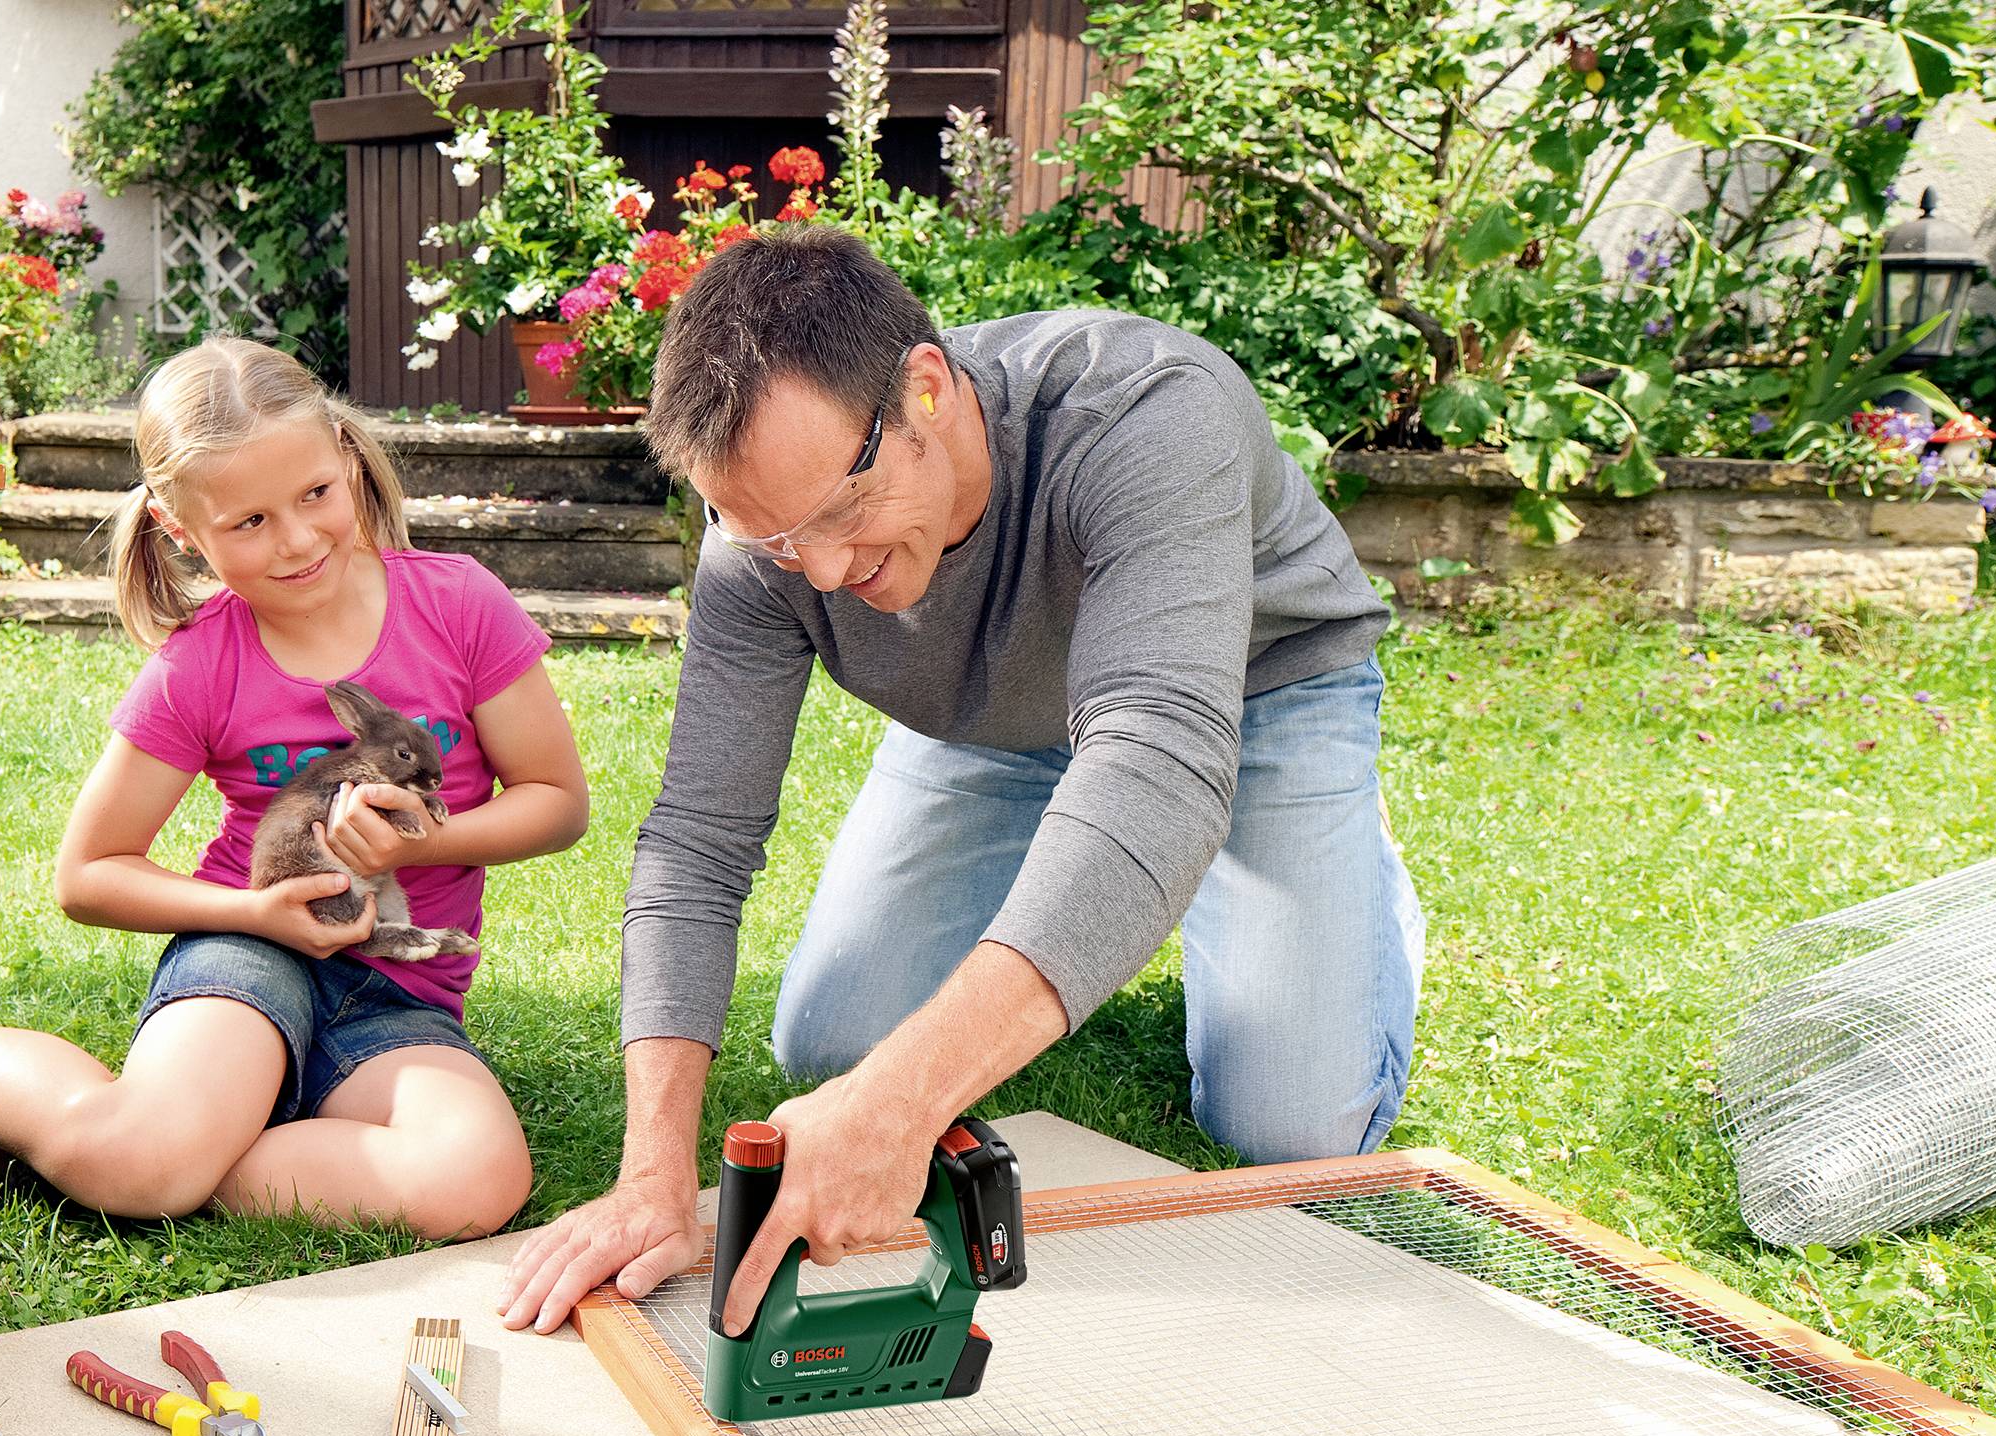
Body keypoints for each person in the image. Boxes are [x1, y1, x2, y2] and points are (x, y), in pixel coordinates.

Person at [500, 226, 1423, 1333]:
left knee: (1291, 1126)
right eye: (784, 544)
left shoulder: (1147, 412)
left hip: (1247, 696)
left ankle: (1327, 876)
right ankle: (1115, 890)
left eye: (842, 512)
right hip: (993, 729)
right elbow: (697, 839)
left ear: (924, 388)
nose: (831, 573)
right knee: (832, 1044)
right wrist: (651, 1171)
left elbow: (1153, 757)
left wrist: (899, 1107)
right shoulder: (764, 546)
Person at [0, 337, 589, 1239]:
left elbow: (557, 799)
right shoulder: (201, 663)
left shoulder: (459, 606)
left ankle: (162, 1154)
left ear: (346, 460)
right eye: (248, 522)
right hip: (248, 960)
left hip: (397, 996)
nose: (298, 540)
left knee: (475, 1178)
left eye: (314, 495)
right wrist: (257, 916)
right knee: (140, 1156)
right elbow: (89, 872)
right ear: (183, 533)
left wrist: (425, 841)